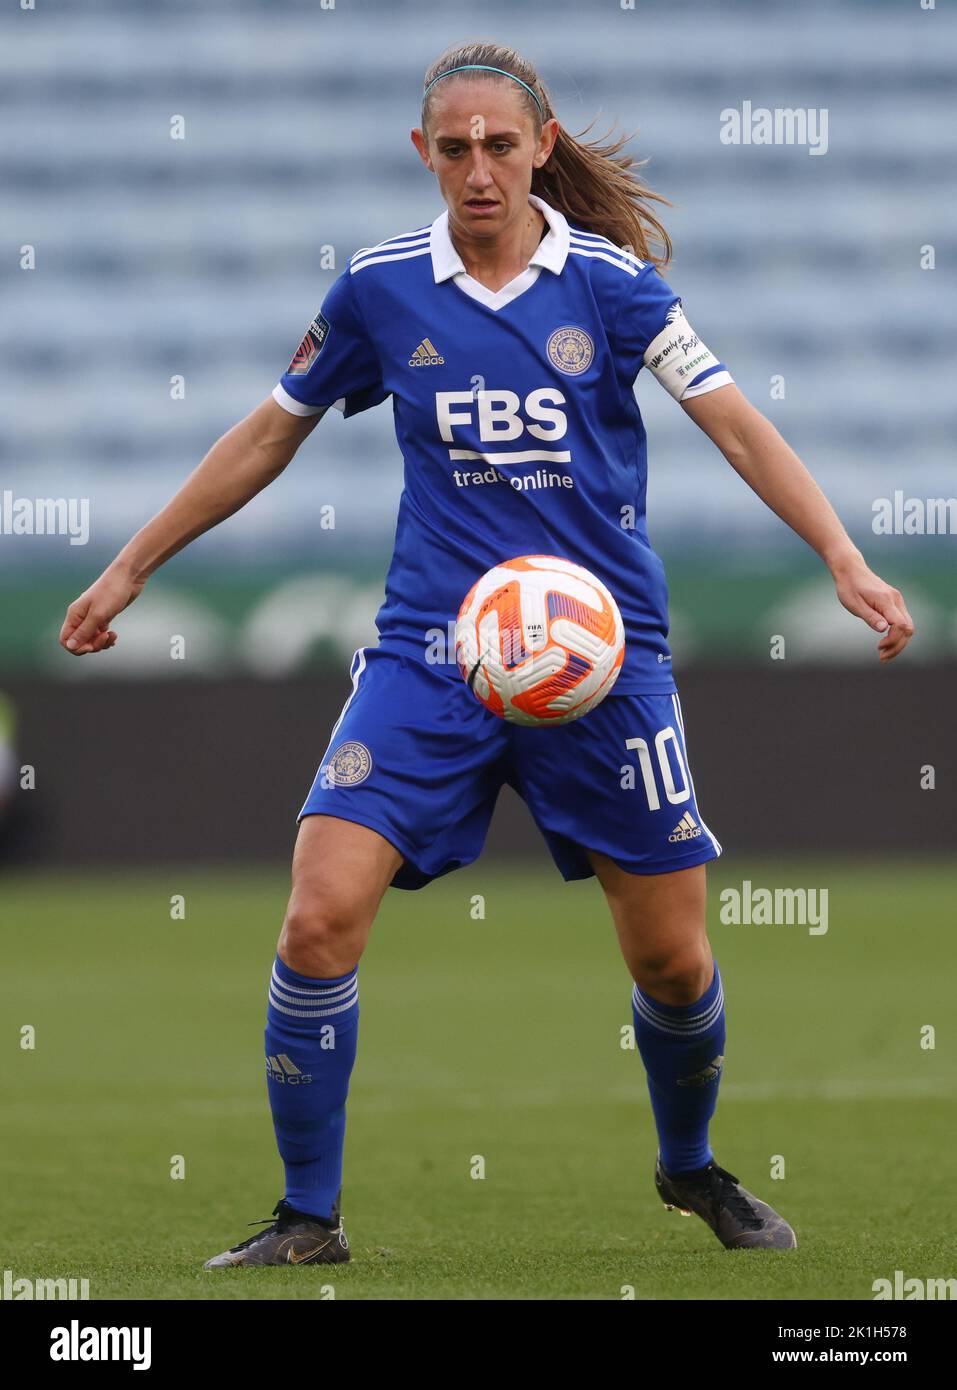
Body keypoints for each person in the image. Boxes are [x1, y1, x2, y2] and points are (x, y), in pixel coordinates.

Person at [60, 41, 914, 1267]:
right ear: (424, 153)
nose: (477, 169)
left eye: (500, 145)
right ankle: (310, 1216)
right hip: (432, 653)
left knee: (673, 958)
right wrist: (133, 563)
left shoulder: (615, 289)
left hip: (602, 662)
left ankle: (689, 1167)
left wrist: (841, 555)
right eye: (453, 147)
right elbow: (268, 432)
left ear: (542, 146)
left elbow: (733, 421)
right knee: (316, 918)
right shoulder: (382, 287)